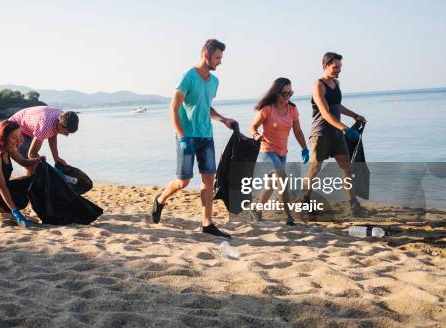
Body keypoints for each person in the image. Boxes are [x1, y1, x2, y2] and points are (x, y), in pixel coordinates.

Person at [149, 39, 238, 238]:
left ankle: (207, 224)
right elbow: (173, 108)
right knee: (184, 181)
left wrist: (223, 119)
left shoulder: (214, 82)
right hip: (187, 137)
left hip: (206, 136)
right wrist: (182, 137)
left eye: (221, 58)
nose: (220, 62)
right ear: (206, 55)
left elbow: (206, 108)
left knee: (208, 180)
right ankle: (161, 199)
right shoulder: (188, 76)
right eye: (217, 57)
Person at [302, 52, 368, 217]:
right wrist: (346, 129)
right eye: (335, 67)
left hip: (336, 134)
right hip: (321, 134)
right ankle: (305, 201)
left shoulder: (336, 83)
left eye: (340, 67)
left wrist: (354, 115)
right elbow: (325, 113)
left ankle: (354, 205)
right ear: (325, 66)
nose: (339, 70)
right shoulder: (318, 85)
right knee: (315, 168)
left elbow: (337, 106)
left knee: (347, 167)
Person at [249, 78, 309, 225]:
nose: (287, 97)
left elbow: (298, 131)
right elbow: (253, 127)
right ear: (276, 93)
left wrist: (304, 148)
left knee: (271, 185)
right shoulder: (268, 109)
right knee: (283, 182)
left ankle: (256, 210)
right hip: (267, 151)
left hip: (282, 152)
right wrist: (256, 135)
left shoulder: (293, 109)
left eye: (290, 93)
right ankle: (289, 218)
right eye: (284, 93)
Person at [8, 106, 78, 175]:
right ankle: (28, 185)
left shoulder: (62, 117)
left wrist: (56, 157)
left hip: (28, 129)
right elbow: (32, 154)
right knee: (31, 166)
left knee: (36, 167)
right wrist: (49, 169)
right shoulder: (45, 126)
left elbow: (53, 135)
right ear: (60, 125)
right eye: (66, 132)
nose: (67, 135)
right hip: (14, 128)